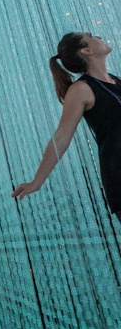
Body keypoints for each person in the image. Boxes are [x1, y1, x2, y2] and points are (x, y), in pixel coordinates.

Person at [13, 33, 121, 218]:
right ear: (86, 50)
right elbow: (61, 137)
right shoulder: (81, 90)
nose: (99, 36)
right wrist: (37, 182)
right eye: (91, 36)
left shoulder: (116, 81)